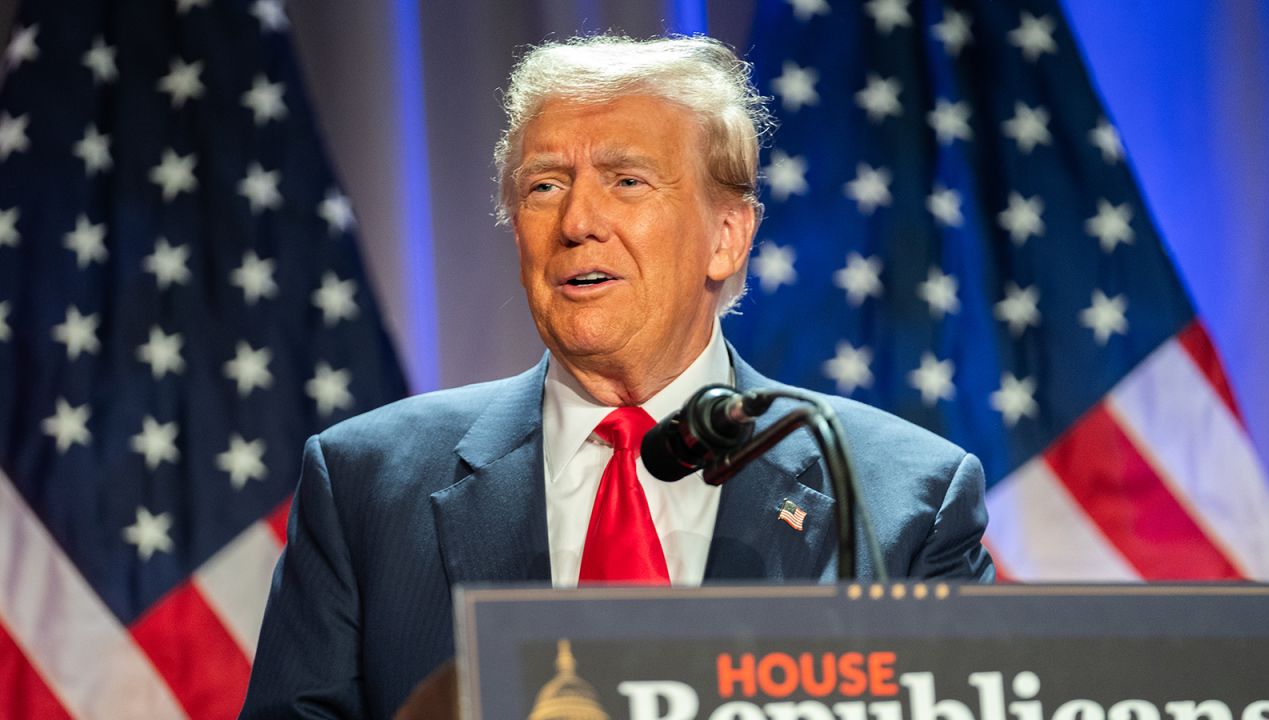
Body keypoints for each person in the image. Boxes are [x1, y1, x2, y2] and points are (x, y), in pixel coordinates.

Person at [239, 34, 993, 719]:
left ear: (727, 238)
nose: (576, 221)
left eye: (627, 181)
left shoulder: (905, 500)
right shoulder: (365, 483)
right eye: (543, 186)